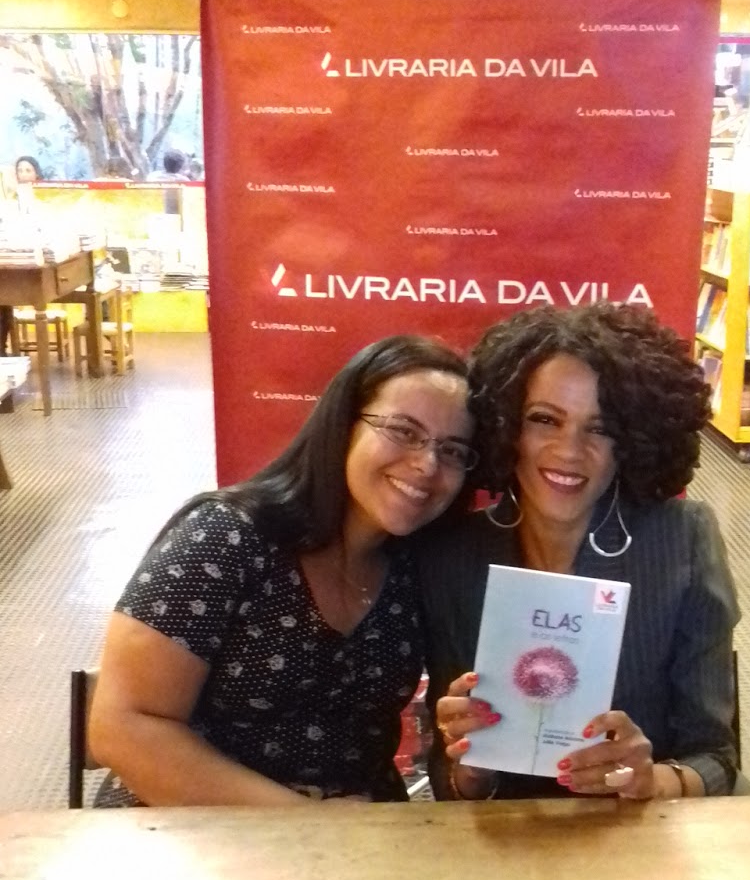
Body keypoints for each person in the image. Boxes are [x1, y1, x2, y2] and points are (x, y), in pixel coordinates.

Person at [89, 335, 477, 807]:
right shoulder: (226, 536)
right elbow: (123, 727)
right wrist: (307, 825)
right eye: (403, 431)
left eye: (453, 451)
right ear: (344, 425)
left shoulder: (420, 566)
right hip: (186, 831)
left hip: (360, 836)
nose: (427, 464)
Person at [420, 302, 741, 803]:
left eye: (600, 427)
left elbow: (717, 758)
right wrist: (470, 768)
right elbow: (451, 778)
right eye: (545, 420)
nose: (570, 450)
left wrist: (652, 780)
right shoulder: (456, 555)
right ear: (507, 426)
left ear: (631, 439)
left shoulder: (682, 542)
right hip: (505, 837)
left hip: (637, 832)